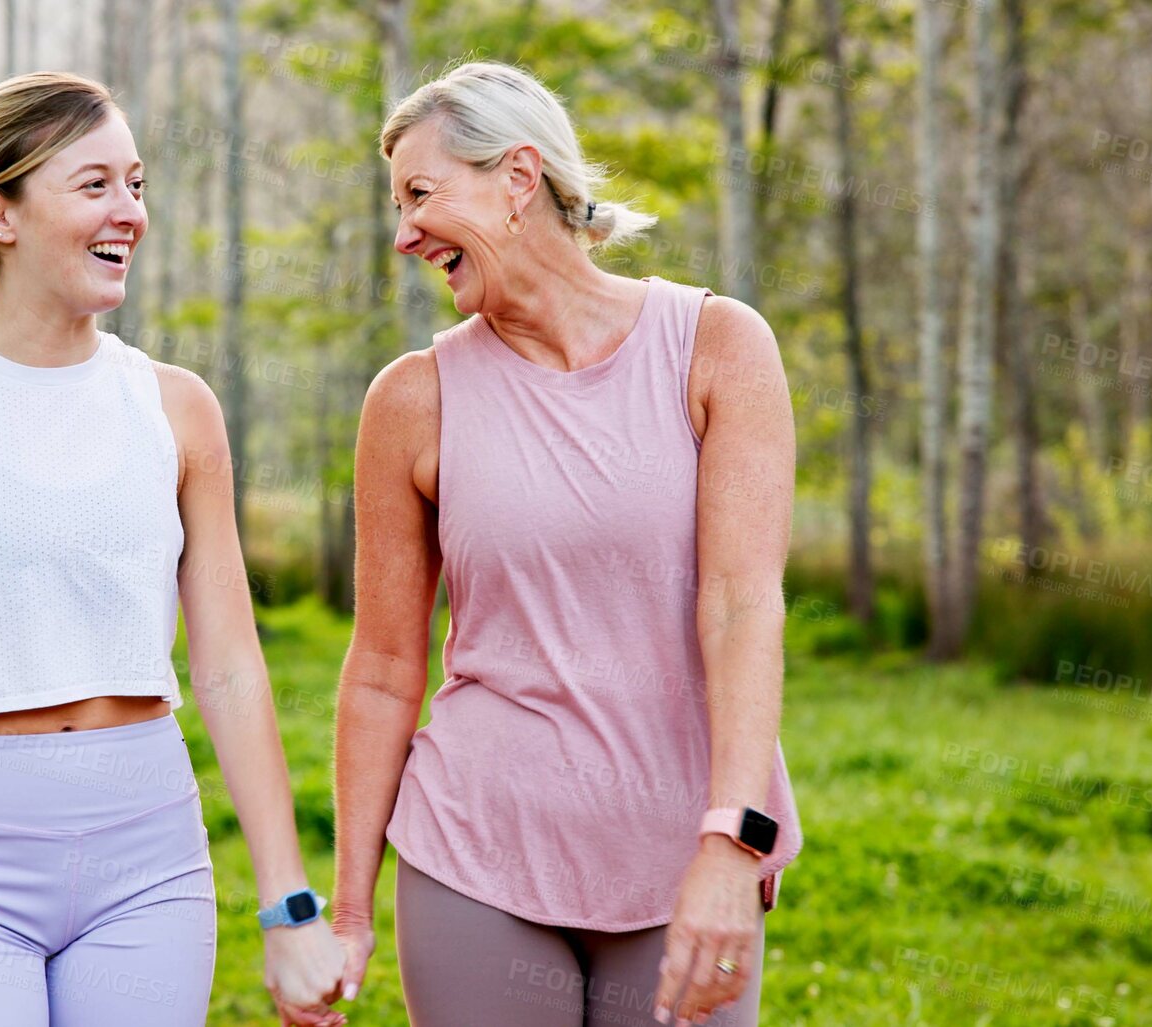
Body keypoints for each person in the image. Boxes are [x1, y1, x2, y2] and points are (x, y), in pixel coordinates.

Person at [0, 72, 347, 1027]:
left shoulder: (178, 406)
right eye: (94, 184)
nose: (129, 212)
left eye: (136, 185)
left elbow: (228, 666)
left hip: (150, 860)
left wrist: (290, 908)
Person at [330, 61, 804, 1027]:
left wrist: (731, 841)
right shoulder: (410, 400)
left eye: (421, 194)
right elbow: (382, 665)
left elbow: (742, 603)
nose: (403, 231)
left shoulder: (717, 346)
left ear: (516, 179)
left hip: (681, 845)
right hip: (475, 848)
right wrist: (347, 911)